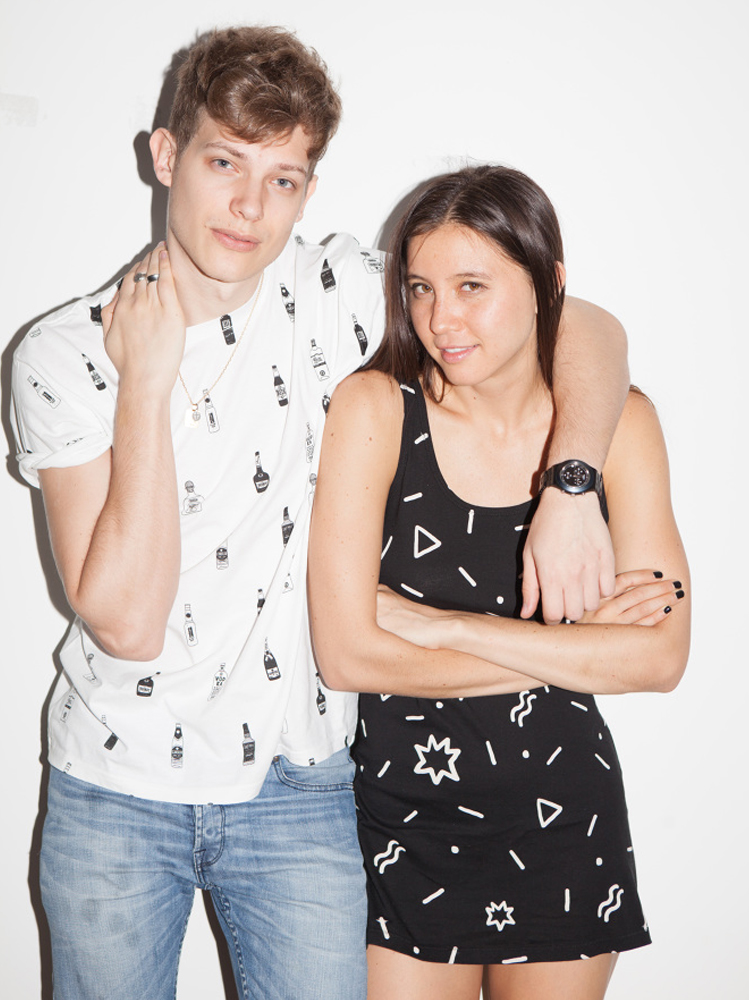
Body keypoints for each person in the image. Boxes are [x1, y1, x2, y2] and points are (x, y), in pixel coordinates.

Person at [11, 26, 630, 1000]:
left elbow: (574, 320)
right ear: (165, 155)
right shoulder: (63, 354)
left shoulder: (335, 293)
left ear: (308, 189)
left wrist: (573, 482)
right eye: (224, 162)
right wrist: (146, 385)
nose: (249, 207)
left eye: (284, 178)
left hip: (298, 791)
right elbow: (126, 624)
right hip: (115, 789)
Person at [308, 165, 690, 1000]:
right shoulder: (376, 410)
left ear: (548, 284)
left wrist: (442, 625)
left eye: (471, 286)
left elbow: (658, 659)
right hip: (396, 825)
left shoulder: (620, 427)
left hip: (564, 824)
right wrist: (573, 649)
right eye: (420, 288)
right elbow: (347, 656)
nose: (441, 319)